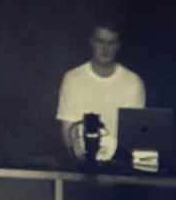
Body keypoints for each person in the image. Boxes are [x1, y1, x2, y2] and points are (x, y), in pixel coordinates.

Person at [56, 24, 146, 162]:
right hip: (80, 165)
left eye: (111, 43)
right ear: (91, 42)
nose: (105, 49)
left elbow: (133, 135)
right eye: (100, 41)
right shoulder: (73, 78)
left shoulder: (133, 82)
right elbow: (68, 132)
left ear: (119, 46)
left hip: (119, 166)